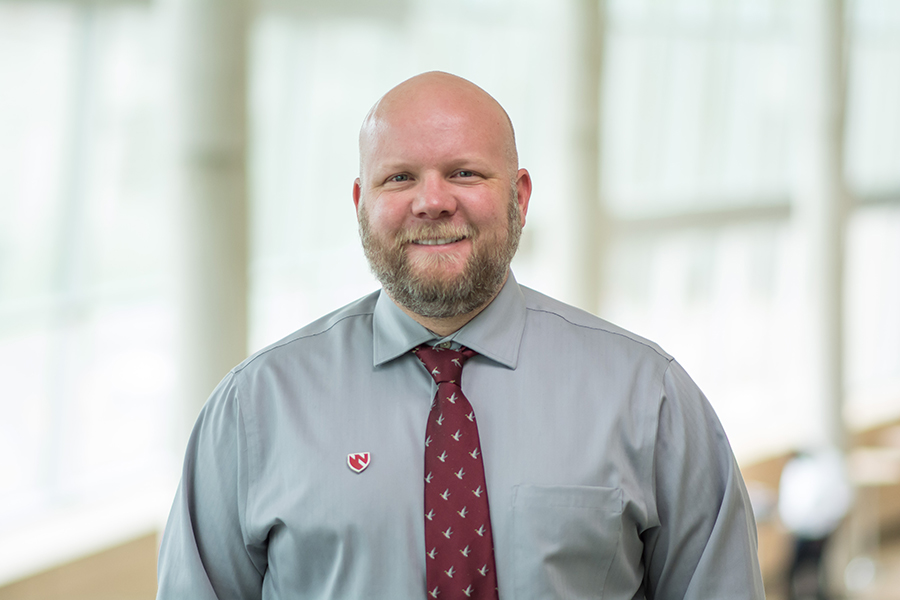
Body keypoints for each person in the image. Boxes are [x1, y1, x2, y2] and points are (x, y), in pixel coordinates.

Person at [157, 71, 765, 599]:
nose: (432, 201)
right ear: (360, 202)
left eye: (464, 172)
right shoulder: (254, 409)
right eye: (398, 178)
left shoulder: (648, 398)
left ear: (519, 197)